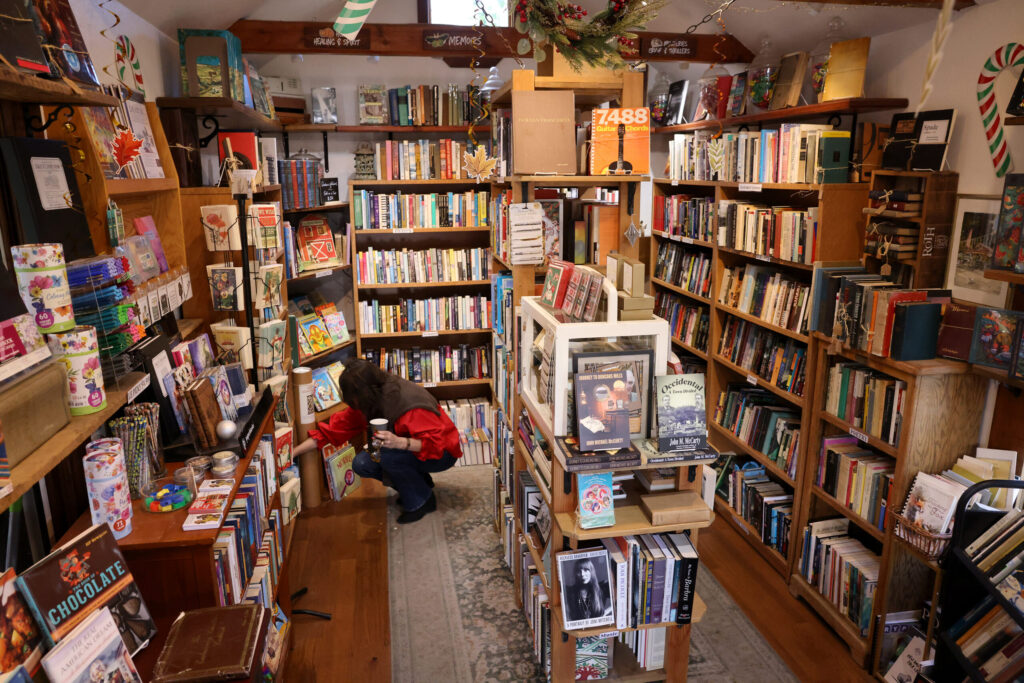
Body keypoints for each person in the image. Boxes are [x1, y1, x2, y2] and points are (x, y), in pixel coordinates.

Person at [292, 359, 461, 523]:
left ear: (362, 394)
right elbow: (331, 432)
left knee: (387, 457)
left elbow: (436, 445)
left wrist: (400, 442)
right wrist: (293, 453)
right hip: (414, 451)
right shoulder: (370, 401)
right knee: (362, 463)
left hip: (443, 453)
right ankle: (419, 485)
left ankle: (421, 502)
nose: (351, 403)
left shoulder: (407, 404)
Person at [564, 558, 611, 622]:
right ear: (575, 574)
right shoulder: (570, 591)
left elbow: (621, 598)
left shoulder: (602, 587)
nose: (582, 574)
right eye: (578, 571)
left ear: (591, 571)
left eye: (586, 570)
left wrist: (605, 613)